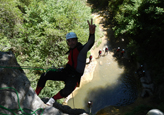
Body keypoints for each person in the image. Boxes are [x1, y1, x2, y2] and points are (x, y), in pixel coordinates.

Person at [35, 19, 96, 106]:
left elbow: (90, 43)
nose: (71, 43)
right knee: (45, 75)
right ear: (67, 42)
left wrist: (92, 33)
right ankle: (35, 94)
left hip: (74, 76)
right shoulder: (71, 50)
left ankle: (53, 99)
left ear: (76, 40)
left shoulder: (81, 49)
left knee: (68, 90)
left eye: (73, 40)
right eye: (69, 41)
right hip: (66, 72)